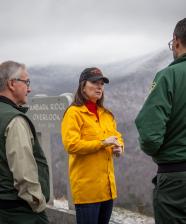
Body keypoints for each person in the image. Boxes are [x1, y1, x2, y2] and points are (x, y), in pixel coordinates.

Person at [135, 18, 186, 224]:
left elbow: (149, 136)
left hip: (176, 180)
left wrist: (161, 151)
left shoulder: (169, 76)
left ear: (176, 41)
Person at [61, 67, 124, 224]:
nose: (99, 87)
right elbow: (71, 145)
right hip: (87, 191)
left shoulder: (107, 114)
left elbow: (117, 137)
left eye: (102, 83)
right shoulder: (73, 113)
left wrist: (119, 147)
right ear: (83, 86)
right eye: (95, 82)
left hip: (108, 189)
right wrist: (103, 143)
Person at [0, 61, 50, 224]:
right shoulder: (14, 121)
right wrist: (38, 204)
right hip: (19, 211)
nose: (29, 89)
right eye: (26, 82)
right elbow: (24, 175)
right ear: (12, 84)